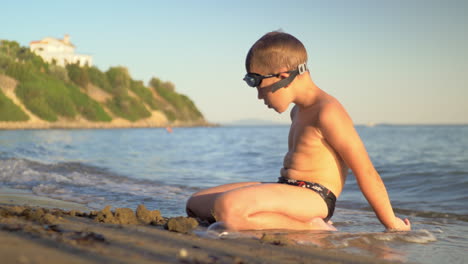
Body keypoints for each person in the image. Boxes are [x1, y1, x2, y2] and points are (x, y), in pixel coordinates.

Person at [186, 31, 411, 232]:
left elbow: (366, 172)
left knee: (228, 209)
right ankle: (265, 218)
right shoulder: (298, 111)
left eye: (259, 86)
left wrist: (391, 223)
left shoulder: (328, 111)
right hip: (287, 188)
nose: (259, 96)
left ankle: (312, 226)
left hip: (314, 196)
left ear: (283, 76)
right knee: (195, 203)